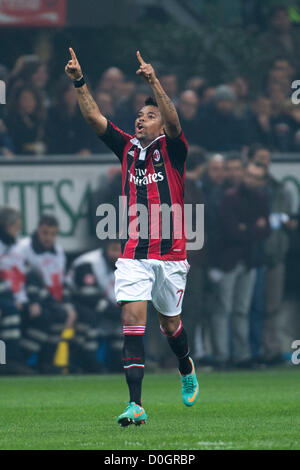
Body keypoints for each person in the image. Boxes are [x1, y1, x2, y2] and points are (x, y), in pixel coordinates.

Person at [65, 47, 199, 426]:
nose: (142, 119)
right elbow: (94, 117)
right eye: (139, 115)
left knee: (170, 325)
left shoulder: (173, 149)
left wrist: (153, 81)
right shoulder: (126, 148)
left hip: (171, 256)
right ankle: (135, 405)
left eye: (150, 115)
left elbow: (174, 121)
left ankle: (185, 364)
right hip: (134, 255)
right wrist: (79, 80)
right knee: (133, 320)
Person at [210, 162, 270, 369]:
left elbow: (266, 229)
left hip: (249, 260)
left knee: (242, 309)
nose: (251, 179)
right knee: (223, 308)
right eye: (250, 174)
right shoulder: (230, 197)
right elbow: (231, 230)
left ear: (261, 180)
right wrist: (253, 227)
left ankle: (242, 355)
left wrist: (247, 228)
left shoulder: (261, 198)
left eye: (256, 177)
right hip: (229, 260)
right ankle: (222, 355)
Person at [15, 215, 76, 373]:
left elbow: (60, 283)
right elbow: (21, 277)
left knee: (62, 314)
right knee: (46, 317)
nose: (49, 238)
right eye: (45, 233)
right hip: (26, 296)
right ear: (38, 231)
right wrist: (34, 300)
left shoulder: (59, 252)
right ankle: (19, 361)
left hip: (49, 298)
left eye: (53, 234)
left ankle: (46, 363)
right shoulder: (23, 248)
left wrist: (69, 306)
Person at [68, 239, 122, 373]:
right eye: (114, 249)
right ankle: (88, 363)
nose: (117, 254)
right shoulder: (88, 263)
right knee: (89, 316)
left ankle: (119, 364)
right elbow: (88, 296)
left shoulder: (126, 264)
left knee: (129, 320)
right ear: (105, 248)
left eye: (120, 250)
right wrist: (118, 313)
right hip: (75, 303)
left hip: (107, 307)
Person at [0, 207, 34, 375]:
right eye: (15, 225)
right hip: (6, 298)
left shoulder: (18, 248)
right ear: (6, 226)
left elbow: (28, 274)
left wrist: (34, 300)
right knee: (10, 310)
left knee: (50, 314)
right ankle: (8, 361)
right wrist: (10, 297)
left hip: (18, 297)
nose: (18, 229)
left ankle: (29, 360)